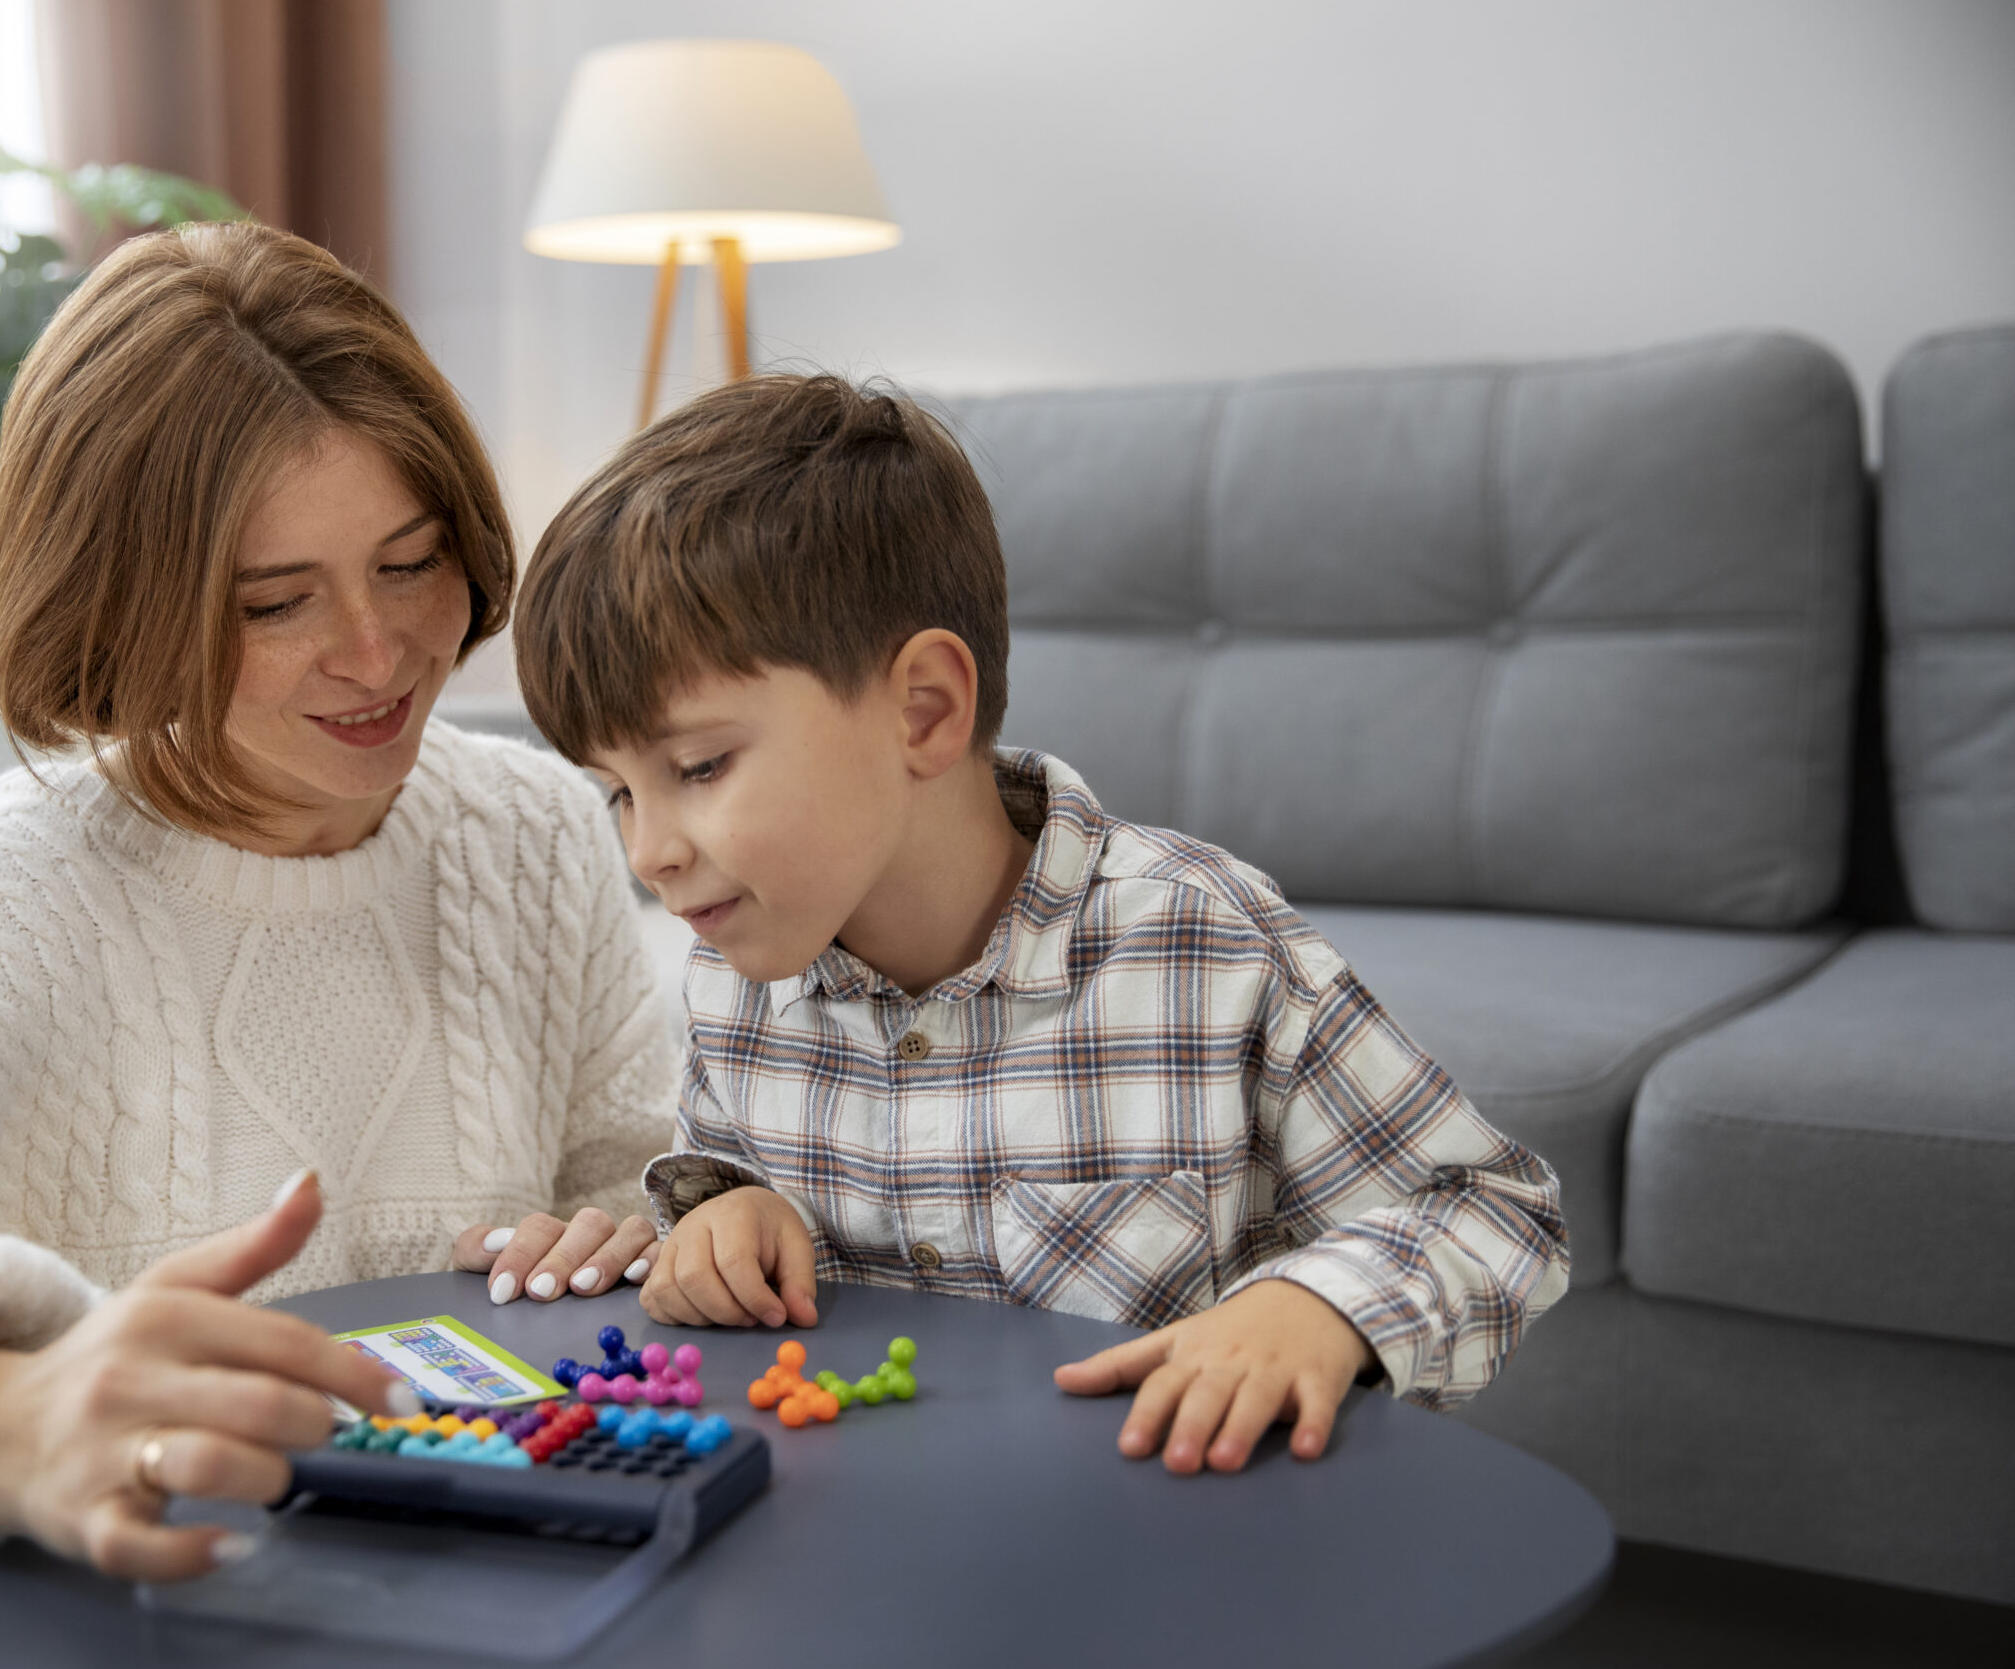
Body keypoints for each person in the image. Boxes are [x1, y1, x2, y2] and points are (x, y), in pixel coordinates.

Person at [0, 223, 674, 1591]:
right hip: (128, 1620)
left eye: (410, 562)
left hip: (454, 1583)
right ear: (124, 614)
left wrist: (629, 1219)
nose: (376, 648)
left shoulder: (534, 829)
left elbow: (630, 1164)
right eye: (276, 601)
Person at [509, 373, 1570, 1475]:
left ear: (922, 710)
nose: (648, 852)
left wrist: (1316, 1311)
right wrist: (722, 1221)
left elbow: (1491, 1215)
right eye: (618, 792)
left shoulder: (1206, 949)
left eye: (696, 767)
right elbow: (725, 1182)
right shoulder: (737, 973)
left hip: (1161, 1566)